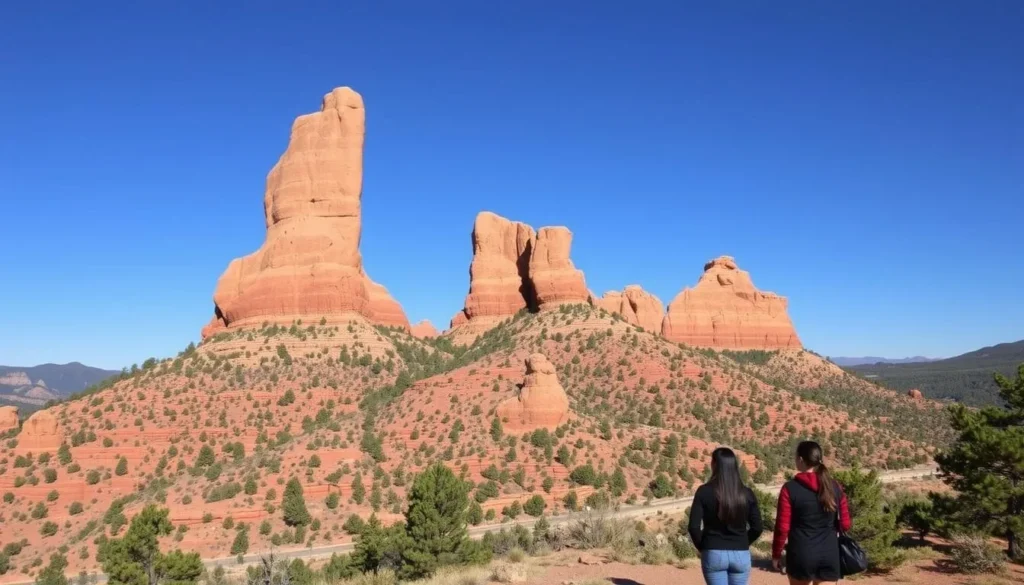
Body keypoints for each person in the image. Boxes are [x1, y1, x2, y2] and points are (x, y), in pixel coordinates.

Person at [772, 440, 852, 584]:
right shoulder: (834, 487)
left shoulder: (789, 489)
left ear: (801, 460)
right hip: (829, 554)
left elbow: (782, 528)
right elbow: (845, 524)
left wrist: (776, 554)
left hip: (801, 554)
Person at [688, 447, 764, 585]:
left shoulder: (703, 491)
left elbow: (693, 527)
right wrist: (743, 542)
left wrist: (705, 547)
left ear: (714, 464)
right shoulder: (746, 493)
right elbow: (757, 527)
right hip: (740, 553)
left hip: (713, 552)